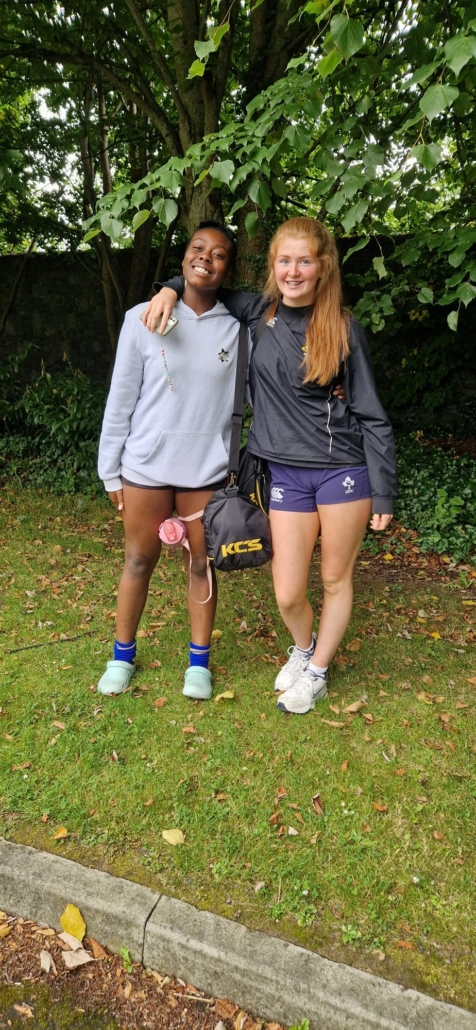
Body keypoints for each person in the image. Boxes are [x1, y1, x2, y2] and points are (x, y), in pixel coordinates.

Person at [141, 217, 397, 716]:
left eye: (304, 261)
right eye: (285, 261)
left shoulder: (344, 329)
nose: (293, 271)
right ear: (273, 266)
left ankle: (317, 672)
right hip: (284, 474)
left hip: (343, 470)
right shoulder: (259, 313)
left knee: (335, 579)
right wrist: (168, 289)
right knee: (287, 592)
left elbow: (371, 414)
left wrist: (383, 489)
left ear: (323, 268)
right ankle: (303, 647)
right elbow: (204, 281)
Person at [97, 221, 241, 701]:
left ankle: (198, 665)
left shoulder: (238, 329)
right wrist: (109, 470)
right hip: (145, 468)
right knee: (139, 559)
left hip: (206, 471)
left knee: (201, 565)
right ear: (183, 258)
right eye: (198, 248)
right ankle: (121, 656)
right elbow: (121, 400)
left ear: (227, 269)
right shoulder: (142, 317)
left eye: (218, 254)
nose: (206, 258)